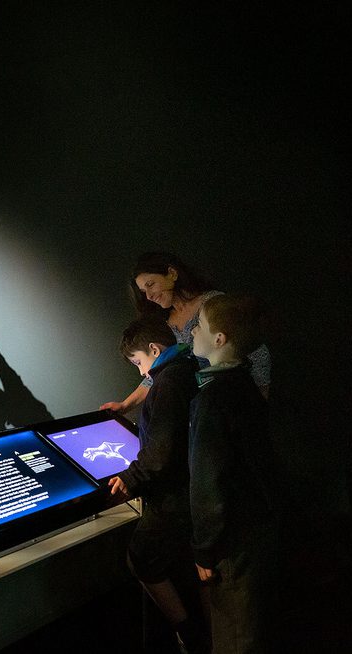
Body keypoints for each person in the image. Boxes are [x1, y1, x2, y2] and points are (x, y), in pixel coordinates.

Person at [108, 317, 210, 654]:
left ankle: (189, 632)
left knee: (142, 557)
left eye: (139, 362)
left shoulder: (168, 382)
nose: (140, 372)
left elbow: (162, 448)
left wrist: (131, 478)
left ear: (154, 350)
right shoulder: (188, 367)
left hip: (175, 494)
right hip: (191, 487)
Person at [188, 294, 280, 654]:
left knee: (234, 632)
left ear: (219, 339)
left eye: (199, 325)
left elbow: (208, 482)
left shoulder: (212, 399)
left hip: (232, 538)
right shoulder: (245, 386)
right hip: (258, 528)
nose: (192, 331)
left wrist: (204, 548)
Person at [101, 252, 271, 413]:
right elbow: (160, 369)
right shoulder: (166, 323)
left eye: (150, 285)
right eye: (144, 292)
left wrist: (259, 400)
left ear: (172, 273)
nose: (149, 296)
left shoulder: (211, 305)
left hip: (233, 400)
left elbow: (257, 353)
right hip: (202, 405)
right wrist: (125, 405)